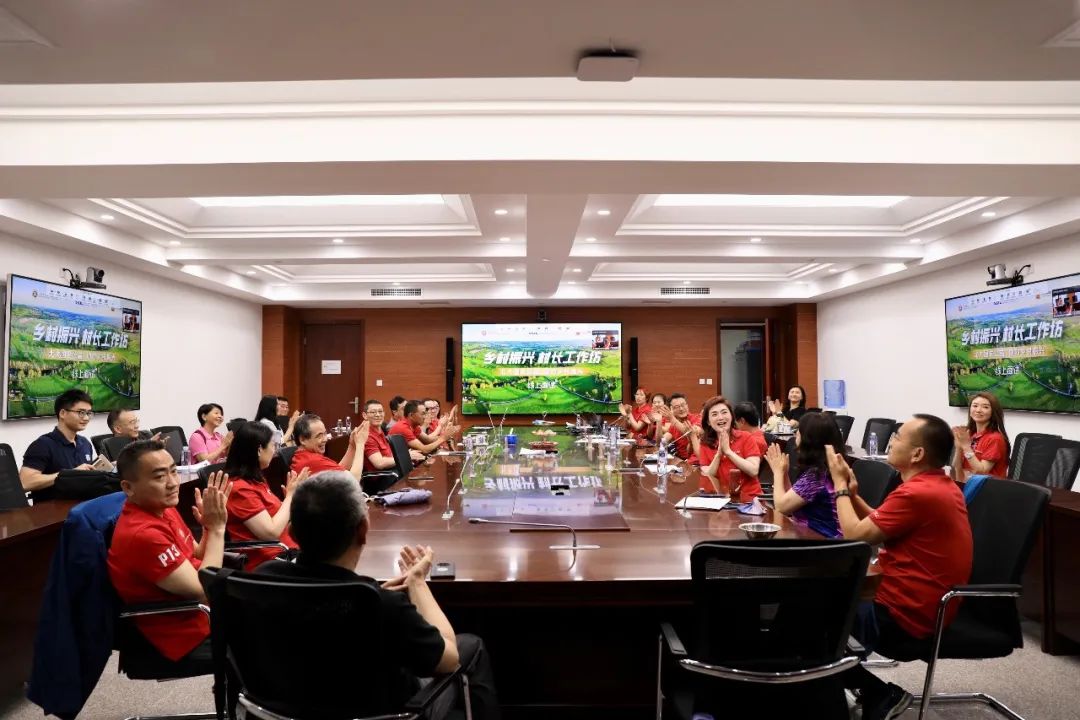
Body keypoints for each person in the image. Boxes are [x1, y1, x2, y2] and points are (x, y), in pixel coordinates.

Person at [255, 472, 500, 720]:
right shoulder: (383, 605)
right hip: (389, 712)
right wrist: (417, 583)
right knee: (472, 646)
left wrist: (378, 597)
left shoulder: (262, 580)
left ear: (292, 532)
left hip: (286, 708)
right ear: (363, 530)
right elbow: (449, 659)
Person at [825, 414, 973, 720]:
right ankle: (862, 692)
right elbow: (880, 524)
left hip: (906, 615)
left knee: (805, 619)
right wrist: (853, 496)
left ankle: (876, 693)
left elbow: (855, 536)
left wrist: (840, 487)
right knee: (811, 610)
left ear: (917, 454)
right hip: (912, 599)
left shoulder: (918, 493)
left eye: (898, 436)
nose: (891, 441)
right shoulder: (934, 485)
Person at [107, 439, 231, 668]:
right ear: (128, 488)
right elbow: (204, 588)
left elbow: (197, 553)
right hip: (184, 632)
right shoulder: (142, 534)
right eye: (159, 477)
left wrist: (207, 527)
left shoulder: (164, 509)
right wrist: (217, 529)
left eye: (174, 471)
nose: (173, 483)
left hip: (207, 611)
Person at [223, 421, 302, 569]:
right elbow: (271, 532)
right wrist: (290, 497)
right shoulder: (239, 489)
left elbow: (277, 516)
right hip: (270, 561)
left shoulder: (256, 479)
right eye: (273, 445)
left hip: (289, 550)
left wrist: (291, 501)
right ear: (259, 450)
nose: (274, 450)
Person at [763, 411, 843, 538]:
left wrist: (777, 473)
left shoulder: (816, 477)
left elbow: (781, 507)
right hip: (808, 535)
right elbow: (793, 500)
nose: (796, 435)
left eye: (799, 432)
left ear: (808, 440)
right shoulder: (824, 469)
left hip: (822, 542)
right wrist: (784, 473)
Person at [20, 389, 102, 501]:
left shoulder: (85, 443)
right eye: (81, 412)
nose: (86, 418)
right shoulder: (43, 445)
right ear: (63, 413)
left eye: (89, 413)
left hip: (83, 505)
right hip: (53, 509)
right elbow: (25, 483)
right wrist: (69, 475)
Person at [691, 395, 763, 498]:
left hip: (749, 499)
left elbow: (753, 470)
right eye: (714, 414)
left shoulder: (746, 437)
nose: (720, 417)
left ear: (731, 416)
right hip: (722, 499)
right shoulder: (705, 443)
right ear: (708, 422)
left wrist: (728, 452)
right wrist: (719, 454)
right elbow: (708, 475)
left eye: (724, 412)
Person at [290, 413, 370, 481]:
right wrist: (360, 444)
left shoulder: (303, 455)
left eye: (325, 434)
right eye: (319, 436)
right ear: (303, 440)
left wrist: (352, 446)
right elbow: (353, 481)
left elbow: (337, 471)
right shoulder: (312, 461)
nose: (325, 439)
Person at [951, 391, 1010, 481]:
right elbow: (956, 468)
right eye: (975, 406)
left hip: (987, 487)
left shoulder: (995, 438)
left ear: (993, 412)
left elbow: (982, 472)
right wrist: (959, 447)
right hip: (968, 484)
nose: (978, 410)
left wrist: (966, 447)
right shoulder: (970, 435)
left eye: (985, 407)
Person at [361, 400, 425, 472]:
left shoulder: (381, 432)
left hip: (395, 471)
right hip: (385, 476)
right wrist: (406, 456)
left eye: (380, 411)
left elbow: (389, 455)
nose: (378, 415)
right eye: (373, 412)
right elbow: (379, 463)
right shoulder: (367, 436)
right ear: (365, 415)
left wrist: (407, 453)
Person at [389, 400, 457, 455]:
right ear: (411, 415)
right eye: (423, 414)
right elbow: (424, 449)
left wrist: (446, 436)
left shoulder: (414, 425)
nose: (425, 417)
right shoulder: (403, 427)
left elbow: (428, 440)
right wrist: (443, 438)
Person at [658, 393, 701, 462]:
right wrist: (658, 422)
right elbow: (661, 442)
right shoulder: (674, 425)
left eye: (683, 405)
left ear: (687, 405)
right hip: (680, 460)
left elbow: (692, 432)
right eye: (677, 407)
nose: (681, 409)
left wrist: (672, 418)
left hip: (696, 461)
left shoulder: (697, 417)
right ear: (671, 409)